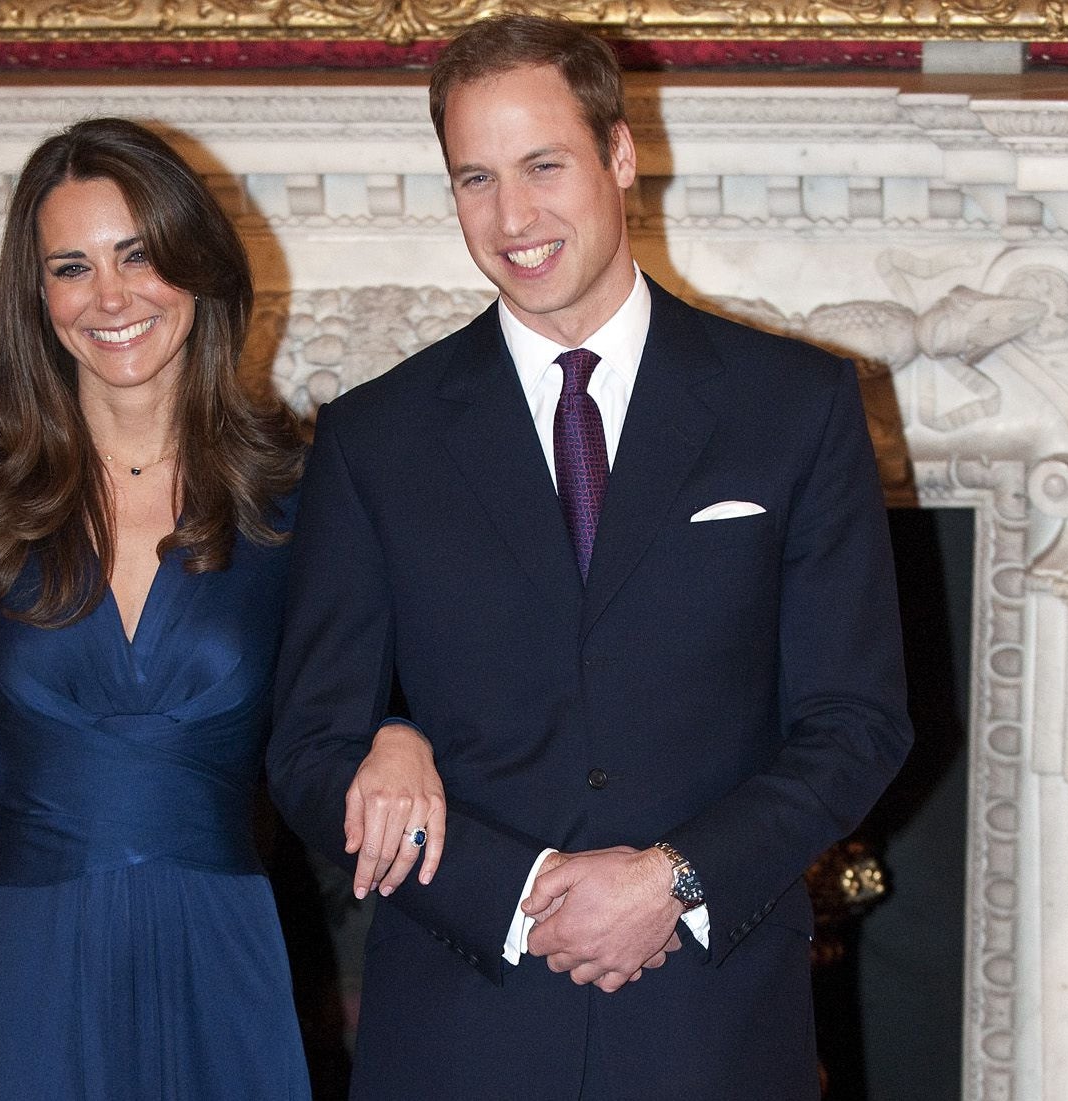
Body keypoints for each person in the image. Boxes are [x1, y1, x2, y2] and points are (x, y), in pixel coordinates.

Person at [267, 14, 915, 1099]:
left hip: (711, 1026)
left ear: (620, 155)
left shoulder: (793, 407)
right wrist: (511, 888)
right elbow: (307, 748)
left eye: (542, 165)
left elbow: (857, 722)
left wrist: (677, 879)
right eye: (474, 178)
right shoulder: (375, 437)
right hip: (458, 1026)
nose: (512, 216)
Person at [0, 117, 326, 1100]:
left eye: (138, 255)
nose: (110, 296)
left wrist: (402, 740)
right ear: (37, 297)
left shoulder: (295, 495)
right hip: (24, 970)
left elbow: (351, 713)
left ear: (196, 266)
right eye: (72, 266)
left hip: (223, 959)